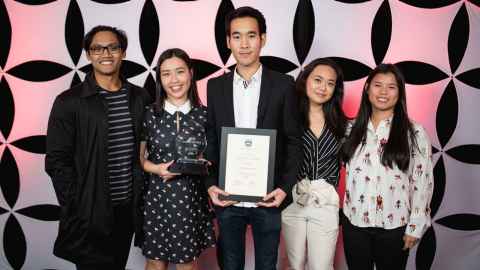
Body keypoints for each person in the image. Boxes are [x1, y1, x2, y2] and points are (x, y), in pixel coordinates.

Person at [204, 6, 303, 270]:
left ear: (263, 39)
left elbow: (294, 140)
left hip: (269, 197)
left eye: (251, 35)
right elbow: (211, 138)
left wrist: (284, 188)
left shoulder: (284, 84)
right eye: (237, 36)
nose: (244, 44)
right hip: (228, 197)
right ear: (228, 41)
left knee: (267, 265)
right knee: (230, 264)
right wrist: (210, 184)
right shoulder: (215, 86)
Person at [45, 25, 151, 269]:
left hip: (126, 210)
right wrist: (78, 204)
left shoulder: (139, 97)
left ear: (123, 53)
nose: (106, 54)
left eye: (113, 47)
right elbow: (56, 161)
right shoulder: (69, 102)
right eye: (97, 48)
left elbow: (147, 150)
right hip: (90, 214)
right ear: (88, 54)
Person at [341, 63, 434, 270]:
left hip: (395, 228)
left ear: (400, 92)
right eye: (377, 85)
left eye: (391, 87)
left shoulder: (415, 133)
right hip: (354, 224)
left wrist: (415, 225)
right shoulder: (349, 129)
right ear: (367, 88)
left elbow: (422, 181)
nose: (383, 92)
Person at [140, 48, 216, 270]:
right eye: (166, 74)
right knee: (155, 264)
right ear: (159, 79)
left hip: (191, 200)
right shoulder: (149, 114)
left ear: (191, 73)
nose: (174, 80)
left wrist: (205, 162)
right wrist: (157, 169)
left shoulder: (206, 115)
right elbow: (139, 160)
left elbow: (213, 158)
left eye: (180, 72)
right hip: (157, 199)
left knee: (187, 265)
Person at [281, 58, 347, 270]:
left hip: (326, 203)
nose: (323, 87)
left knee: (321, 266)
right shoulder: (288, 119)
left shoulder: (344, 125)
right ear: (305, 80)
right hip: (292, 200)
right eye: (318, 80)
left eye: (330, 83)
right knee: (295, 264)